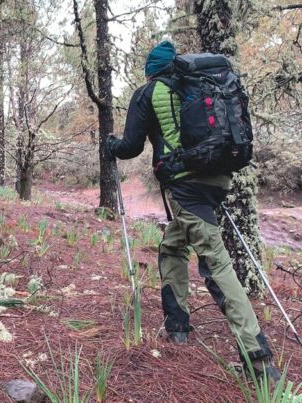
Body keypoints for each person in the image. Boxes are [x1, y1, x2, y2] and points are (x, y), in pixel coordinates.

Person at [105, 40, 280, 381]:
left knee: (216, 263)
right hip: (217, 178)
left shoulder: (149, 93)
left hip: (185, 185)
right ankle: (177, 324)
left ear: (151, 70)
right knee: (172, 245)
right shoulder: (197, 87)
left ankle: (257, 358)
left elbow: (129, 147)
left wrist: (110, 145)